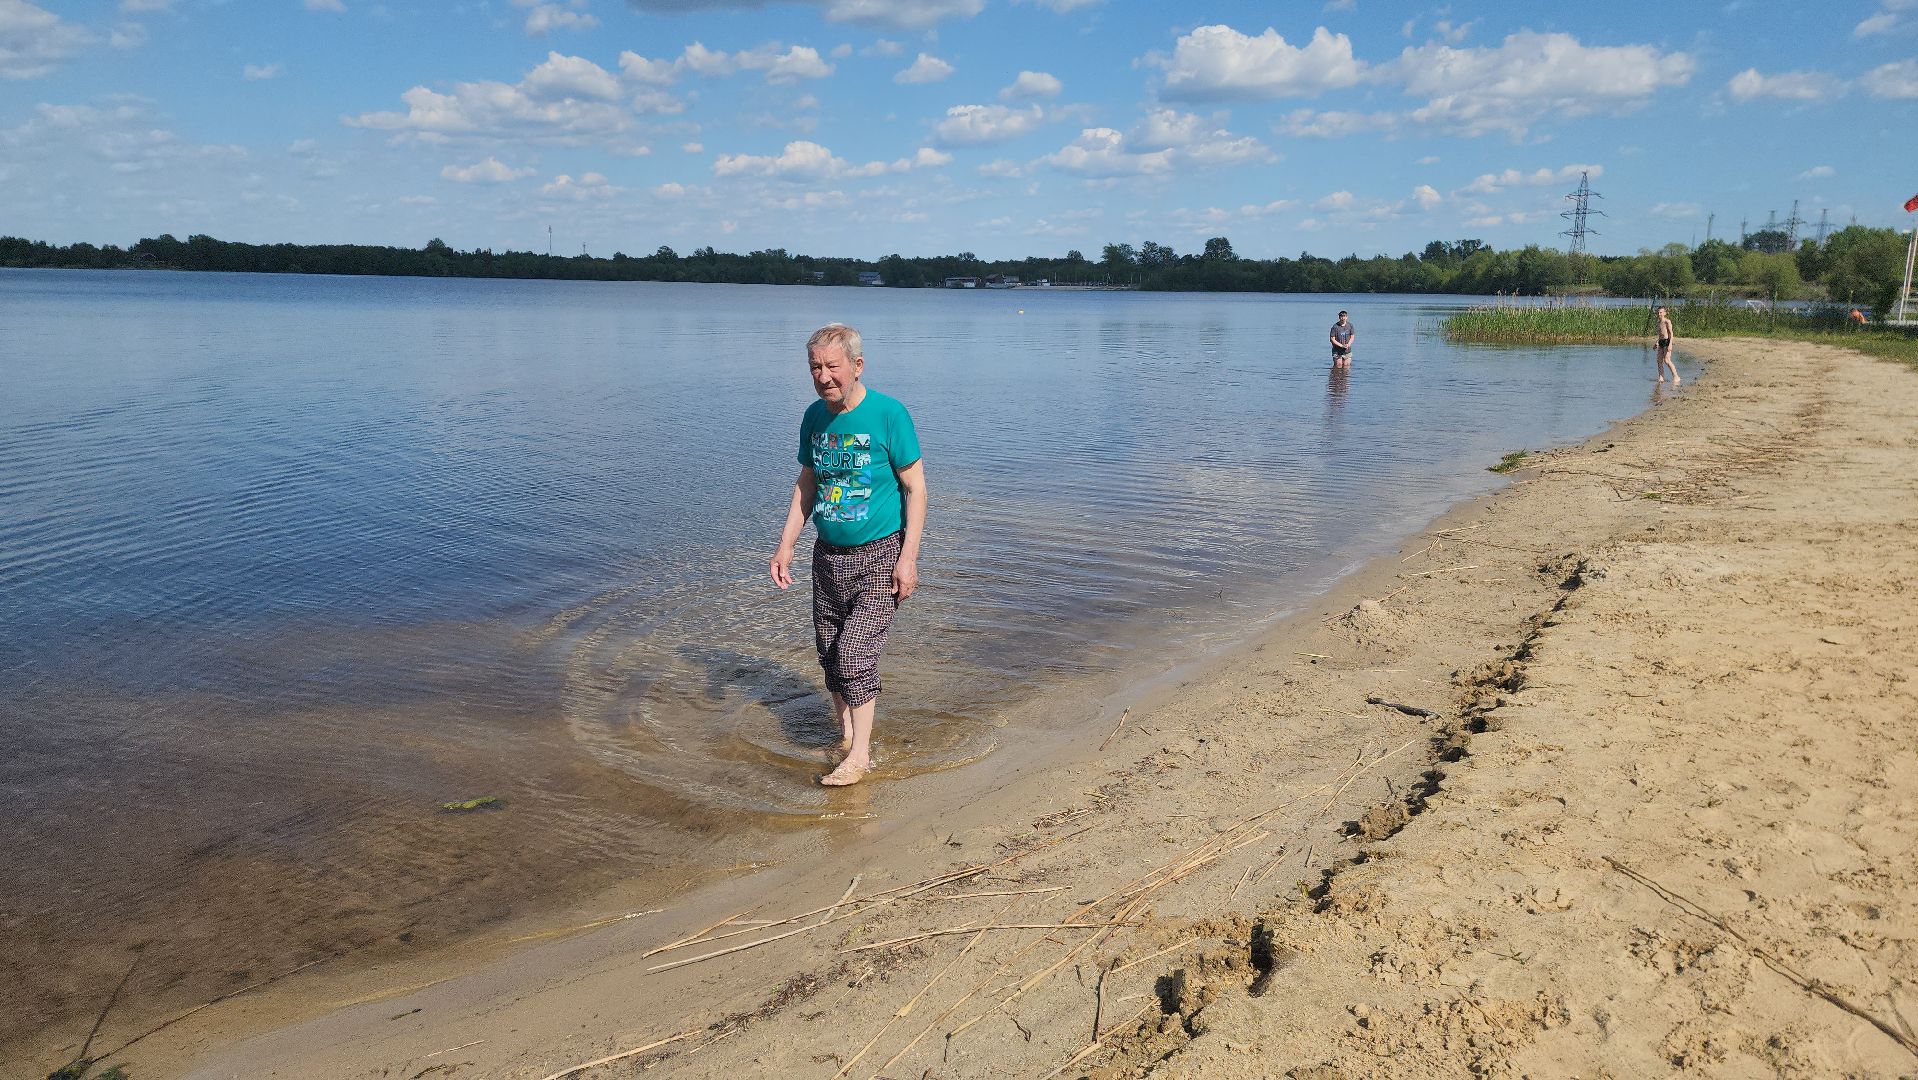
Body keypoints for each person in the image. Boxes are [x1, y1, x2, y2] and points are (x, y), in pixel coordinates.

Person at [770, 324, 927, 787]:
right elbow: (807, 485)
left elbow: (916, 489)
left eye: (831, 366)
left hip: (880, 554)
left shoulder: (888, 415)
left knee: (854, 656)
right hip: (827, 555)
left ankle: (860, 756)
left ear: (857, 366)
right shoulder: (814, 418)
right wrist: (786, 545)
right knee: (830, 654)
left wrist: (909, 557)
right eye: (815, 367)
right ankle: (846, 738)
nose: (823, 377)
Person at [1654, 306, 1679, 386]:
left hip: (1667, 341)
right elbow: (1660, 335)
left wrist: (1670, 344)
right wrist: (1657, 342)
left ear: (1664, 313)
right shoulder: (1658, 322)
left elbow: (1671, 333)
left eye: (1661, 312)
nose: (1659, 314)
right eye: (1658, 312)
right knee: (1659, 360)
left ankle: (1676, 376)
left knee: (1667, 360)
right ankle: (1661, 377)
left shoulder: (1667, 321)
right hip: (1661, 342)